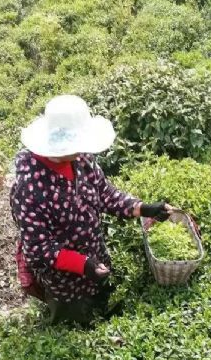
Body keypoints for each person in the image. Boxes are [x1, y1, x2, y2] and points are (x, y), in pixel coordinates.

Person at [10, 94, 172, 324]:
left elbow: (104, 193)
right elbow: (38, 248)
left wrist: (143, 208)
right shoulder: (29, 187)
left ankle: (101, 313)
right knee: (73, 316)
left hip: (94, 250)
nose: (83, 150)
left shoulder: (81, 158)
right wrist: (82, 264)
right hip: (63, 277)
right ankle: (73, 326)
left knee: (100, 293)